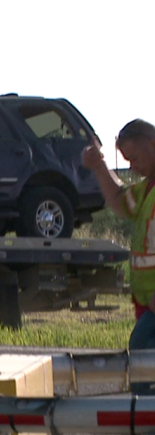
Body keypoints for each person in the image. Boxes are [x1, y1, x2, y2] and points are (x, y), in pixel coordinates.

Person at [82, 119, 155, 395]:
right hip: (148, 303)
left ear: (153, 143)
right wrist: (99, 166)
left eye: (134, 158)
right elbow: (121, 200)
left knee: (142, 353)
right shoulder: (149, 188)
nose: (132, 167)